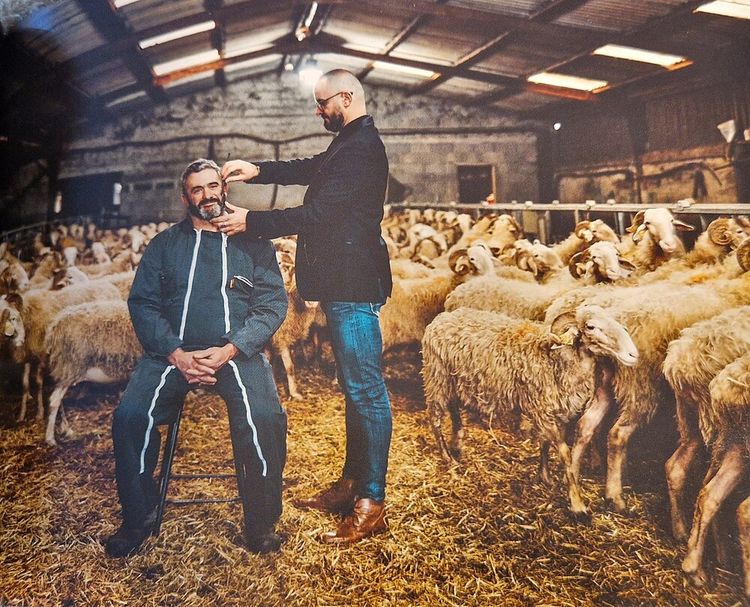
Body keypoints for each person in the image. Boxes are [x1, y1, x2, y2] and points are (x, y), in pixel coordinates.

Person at [214, 68, 392, 545]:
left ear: (346, 97)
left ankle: (371, 501)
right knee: (355, 389)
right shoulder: (349, 142)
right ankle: (354, 484)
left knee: (367, 391)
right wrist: (261, 170)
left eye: (322, 104)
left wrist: (252, 221)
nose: (318, 112)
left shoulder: (363, 147)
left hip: (354, 283)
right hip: (342, 281)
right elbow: (313, 166)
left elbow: (318, 214)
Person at [104, 159, 288, 557]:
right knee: (131, 415)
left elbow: (272, 303)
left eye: (212, 186)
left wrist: (231, 348)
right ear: (185, 197)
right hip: (172, 353)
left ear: (224, 188)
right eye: (196, 189)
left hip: (236, 351)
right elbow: (144, 304)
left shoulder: (254, 243)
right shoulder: (165, 245)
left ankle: (261, 522)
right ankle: (139, 517)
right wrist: (175, 352)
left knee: (266, 417)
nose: (207, 195)